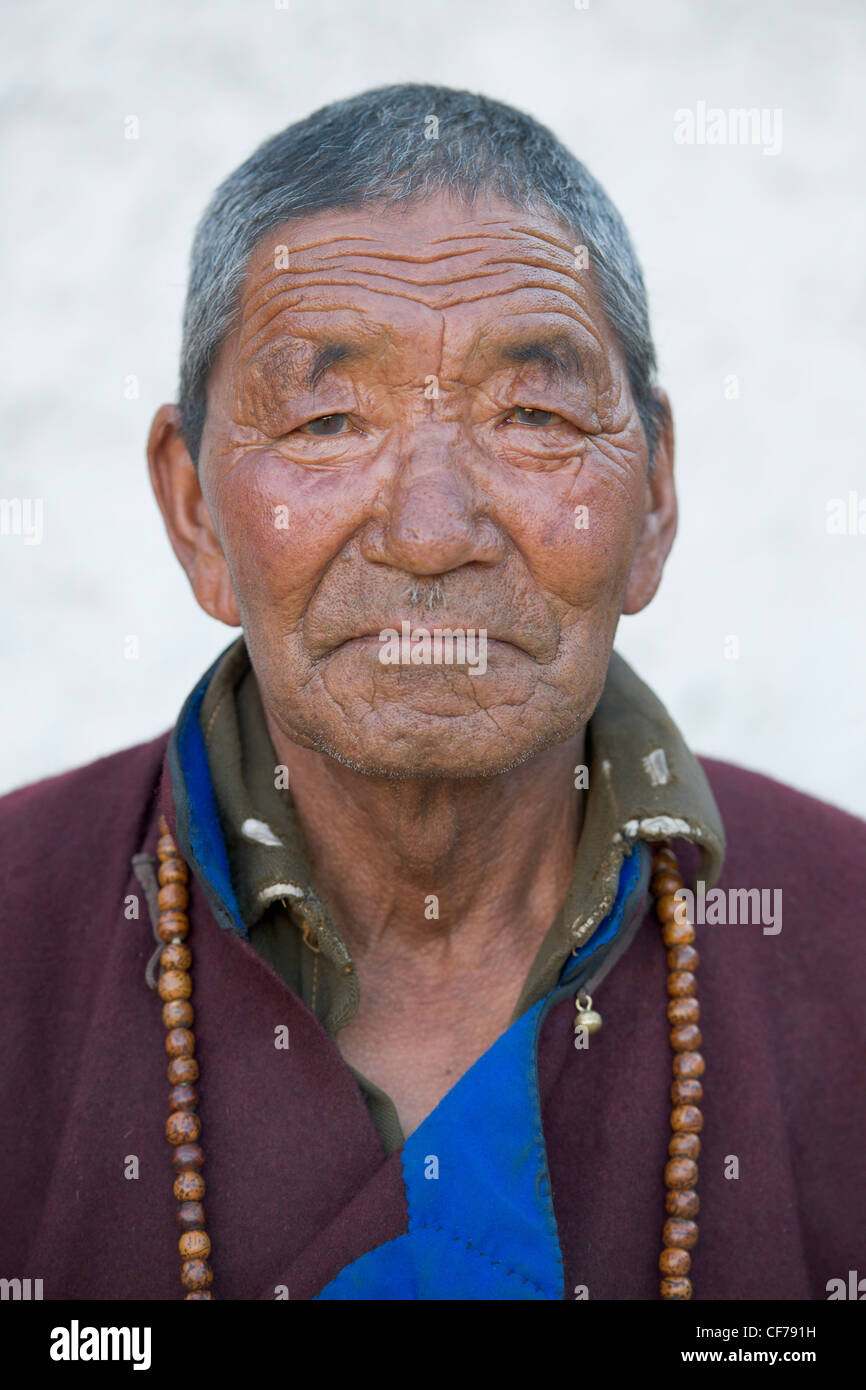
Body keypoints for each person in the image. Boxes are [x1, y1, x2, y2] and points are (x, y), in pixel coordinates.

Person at [2, 84, 864, 1302]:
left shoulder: (842, 936)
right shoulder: (17, 927)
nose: (428, 530)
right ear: (195, 510)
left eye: (533, 413)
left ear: (653, 499)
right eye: (327, 419)